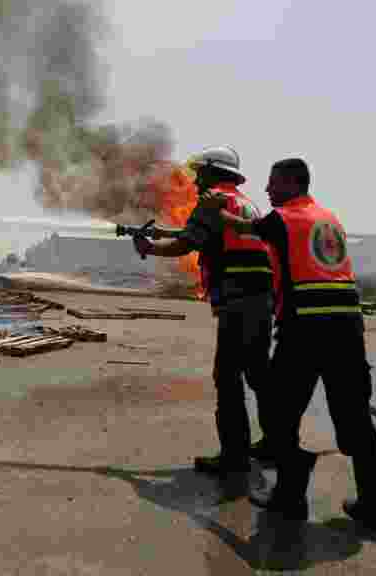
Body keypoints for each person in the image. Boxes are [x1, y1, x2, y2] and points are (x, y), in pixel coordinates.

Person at [200, 157, 376, 539]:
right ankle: (372, 507)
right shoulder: (329, 218)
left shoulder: (284, 218)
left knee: (279, 415)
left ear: (290, 183)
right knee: (356, 422)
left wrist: (214, 210)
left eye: (273, 183)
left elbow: (244, 227)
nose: (267, 191)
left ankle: (290, 496)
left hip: (305, 328)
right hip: (348, 329)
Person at [132, 146, 278, 490]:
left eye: (201, 173)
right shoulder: (245, 203)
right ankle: (275, 443)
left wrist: (149, 248)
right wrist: (166, 235)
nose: (196, 182)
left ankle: (234, 456)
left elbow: (188, 243)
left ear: (215, 173)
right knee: (259, 375)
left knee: (227, 378)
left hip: (237, 303)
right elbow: (209, 236)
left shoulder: (213, 200)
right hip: (260, 300)